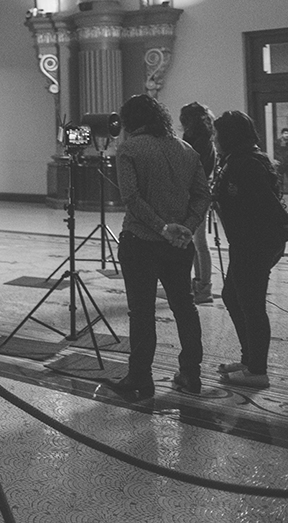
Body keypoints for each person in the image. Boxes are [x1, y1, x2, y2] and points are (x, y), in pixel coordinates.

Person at [110, 94, 210, 399]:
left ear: (129, 121)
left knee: (142, 312)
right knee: (185, 307)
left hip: (140, 241)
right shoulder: (186, 149)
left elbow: (131, 198)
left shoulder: (128, 149)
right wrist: (187, 227)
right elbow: (203, 196)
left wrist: (161, 227)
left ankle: (140, 378)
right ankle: (191, 375)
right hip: (179, 246)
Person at [211, 111, 288, 389]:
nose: (214, 140)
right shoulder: (240, 159)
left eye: (217, 135)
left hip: (255, 243)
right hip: (247, 241)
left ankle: (258, 370)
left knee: (251, 304)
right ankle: (249, 359)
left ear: (229, 136)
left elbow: (267, 206)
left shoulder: (247, 164)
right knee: (232, 296)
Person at [179, 102, 217, 304]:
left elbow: (194, 168)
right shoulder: (200, 139)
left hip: (198, 194)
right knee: (194, 241)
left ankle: (204, 288)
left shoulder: (200, 142)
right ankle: (199, 283)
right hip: (195, 192)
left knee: (200, 242)